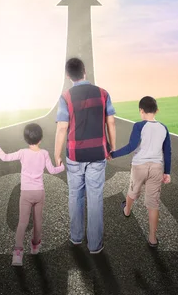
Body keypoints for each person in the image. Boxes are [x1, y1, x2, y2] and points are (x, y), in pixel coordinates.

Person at [54, 57, 117, 254]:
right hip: (98, 153)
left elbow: (62, 127)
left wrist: (56, 154)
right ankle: (95, 245)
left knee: (75, 195)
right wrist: (111, 148)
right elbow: (111, 122)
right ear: (85, 71)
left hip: (75, 155)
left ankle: (76, 237)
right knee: (95, 197)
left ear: (67, 76)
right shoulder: (103, 93)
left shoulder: (66, 97)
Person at [0, 123, 65, 266]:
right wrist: (61, 166)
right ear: (40, 139)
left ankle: (18, 254)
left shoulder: (23, 153)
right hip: (39, 192)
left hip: (26, 193)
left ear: (26, 139)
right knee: (38, 222)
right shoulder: (44, 154)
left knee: (22, 223)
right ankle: (35, 247)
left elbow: (4, 157)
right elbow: (53, 170)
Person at [109, 96, 171, 248]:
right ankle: (152, 239)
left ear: (141, 111)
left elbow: (131, 146)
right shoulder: (163, 128)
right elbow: (167, 151)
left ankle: (127, 210)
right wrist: (167, 172)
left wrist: (113, 154)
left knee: (133, 191)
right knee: (153, 203)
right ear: (156, 110)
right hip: (157, 167)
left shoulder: (138, 126)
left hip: (139, 166)